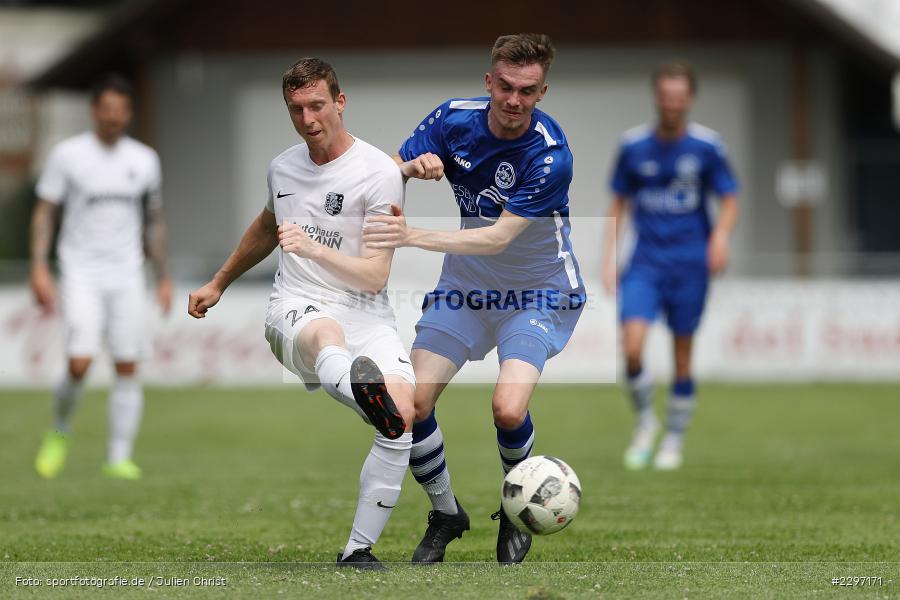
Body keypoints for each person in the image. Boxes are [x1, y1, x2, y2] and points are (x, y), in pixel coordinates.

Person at [363, 33, 584, 564]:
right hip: (466, 288)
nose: (514, 100)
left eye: (527, 91)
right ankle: (445, 512)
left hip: (538, 291)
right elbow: (383, 173)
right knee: (410, 406)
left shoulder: (551, 156)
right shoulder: (453, 119)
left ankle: (514, 515)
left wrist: (413, 236)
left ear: (542, 91)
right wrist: (411, 169)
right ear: (489, 82)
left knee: (508, 409)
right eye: (505, 86)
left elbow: (497, 237)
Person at [187, 58, 415, 569]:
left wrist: (313, 247)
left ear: (340, 101)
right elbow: (267, 228)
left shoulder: (379, 173)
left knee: (403, 421)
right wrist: (220, 281)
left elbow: (375, 277)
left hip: (368, 312)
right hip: (296, 306)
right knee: (325, 335)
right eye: (296, 109)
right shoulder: (283, 168)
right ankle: (364, 391)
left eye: (317, 105)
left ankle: (358, 551)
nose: (309, 119)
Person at [601, 60, 739, 471]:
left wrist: (720, 238)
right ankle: (646, 422)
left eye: (679, 98)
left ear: (690, 99)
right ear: (656, 98)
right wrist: (609, 258)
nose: (672, 104)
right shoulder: (633, 146)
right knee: (631, 349)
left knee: (682, 357)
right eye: (666, 97)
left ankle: (674, 439)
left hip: (690, 263)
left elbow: (729, 198)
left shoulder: (707, 147)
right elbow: (618, 203)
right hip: (644, 262)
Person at [31, 75, 171, 481]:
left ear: (128, 114)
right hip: (80, 271)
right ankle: (59, 431)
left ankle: (118, 456)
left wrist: (162, 276)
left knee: (128, 363)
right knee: (80, 361)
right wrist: (39, 266)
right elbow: (45, 213)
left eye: (120, 111)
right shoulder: (68, 155)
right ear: (95, 111)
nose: (113, 118)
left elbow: (154, 220)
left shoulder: (144, 159)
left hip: (128, 272)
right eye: (106, 110)